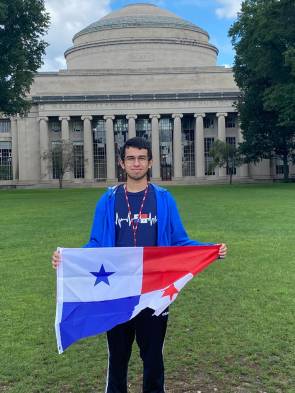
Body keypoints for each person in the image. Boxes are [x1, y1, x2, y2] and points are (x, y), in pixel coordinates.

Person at [52, 137, 227, 393]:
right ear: (122, 163)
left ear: (150, 162)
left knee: (153, 359)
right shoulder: (109, 200)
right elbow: (97, 243)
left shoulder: (164, 199)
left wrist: (210, 249)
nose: (136, 163)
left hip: (155, 292)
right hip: (117, 292)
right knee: (118, 359)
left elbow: (180, 240)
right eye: (131, 158)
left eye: (142, 158)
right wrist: (67, 258)